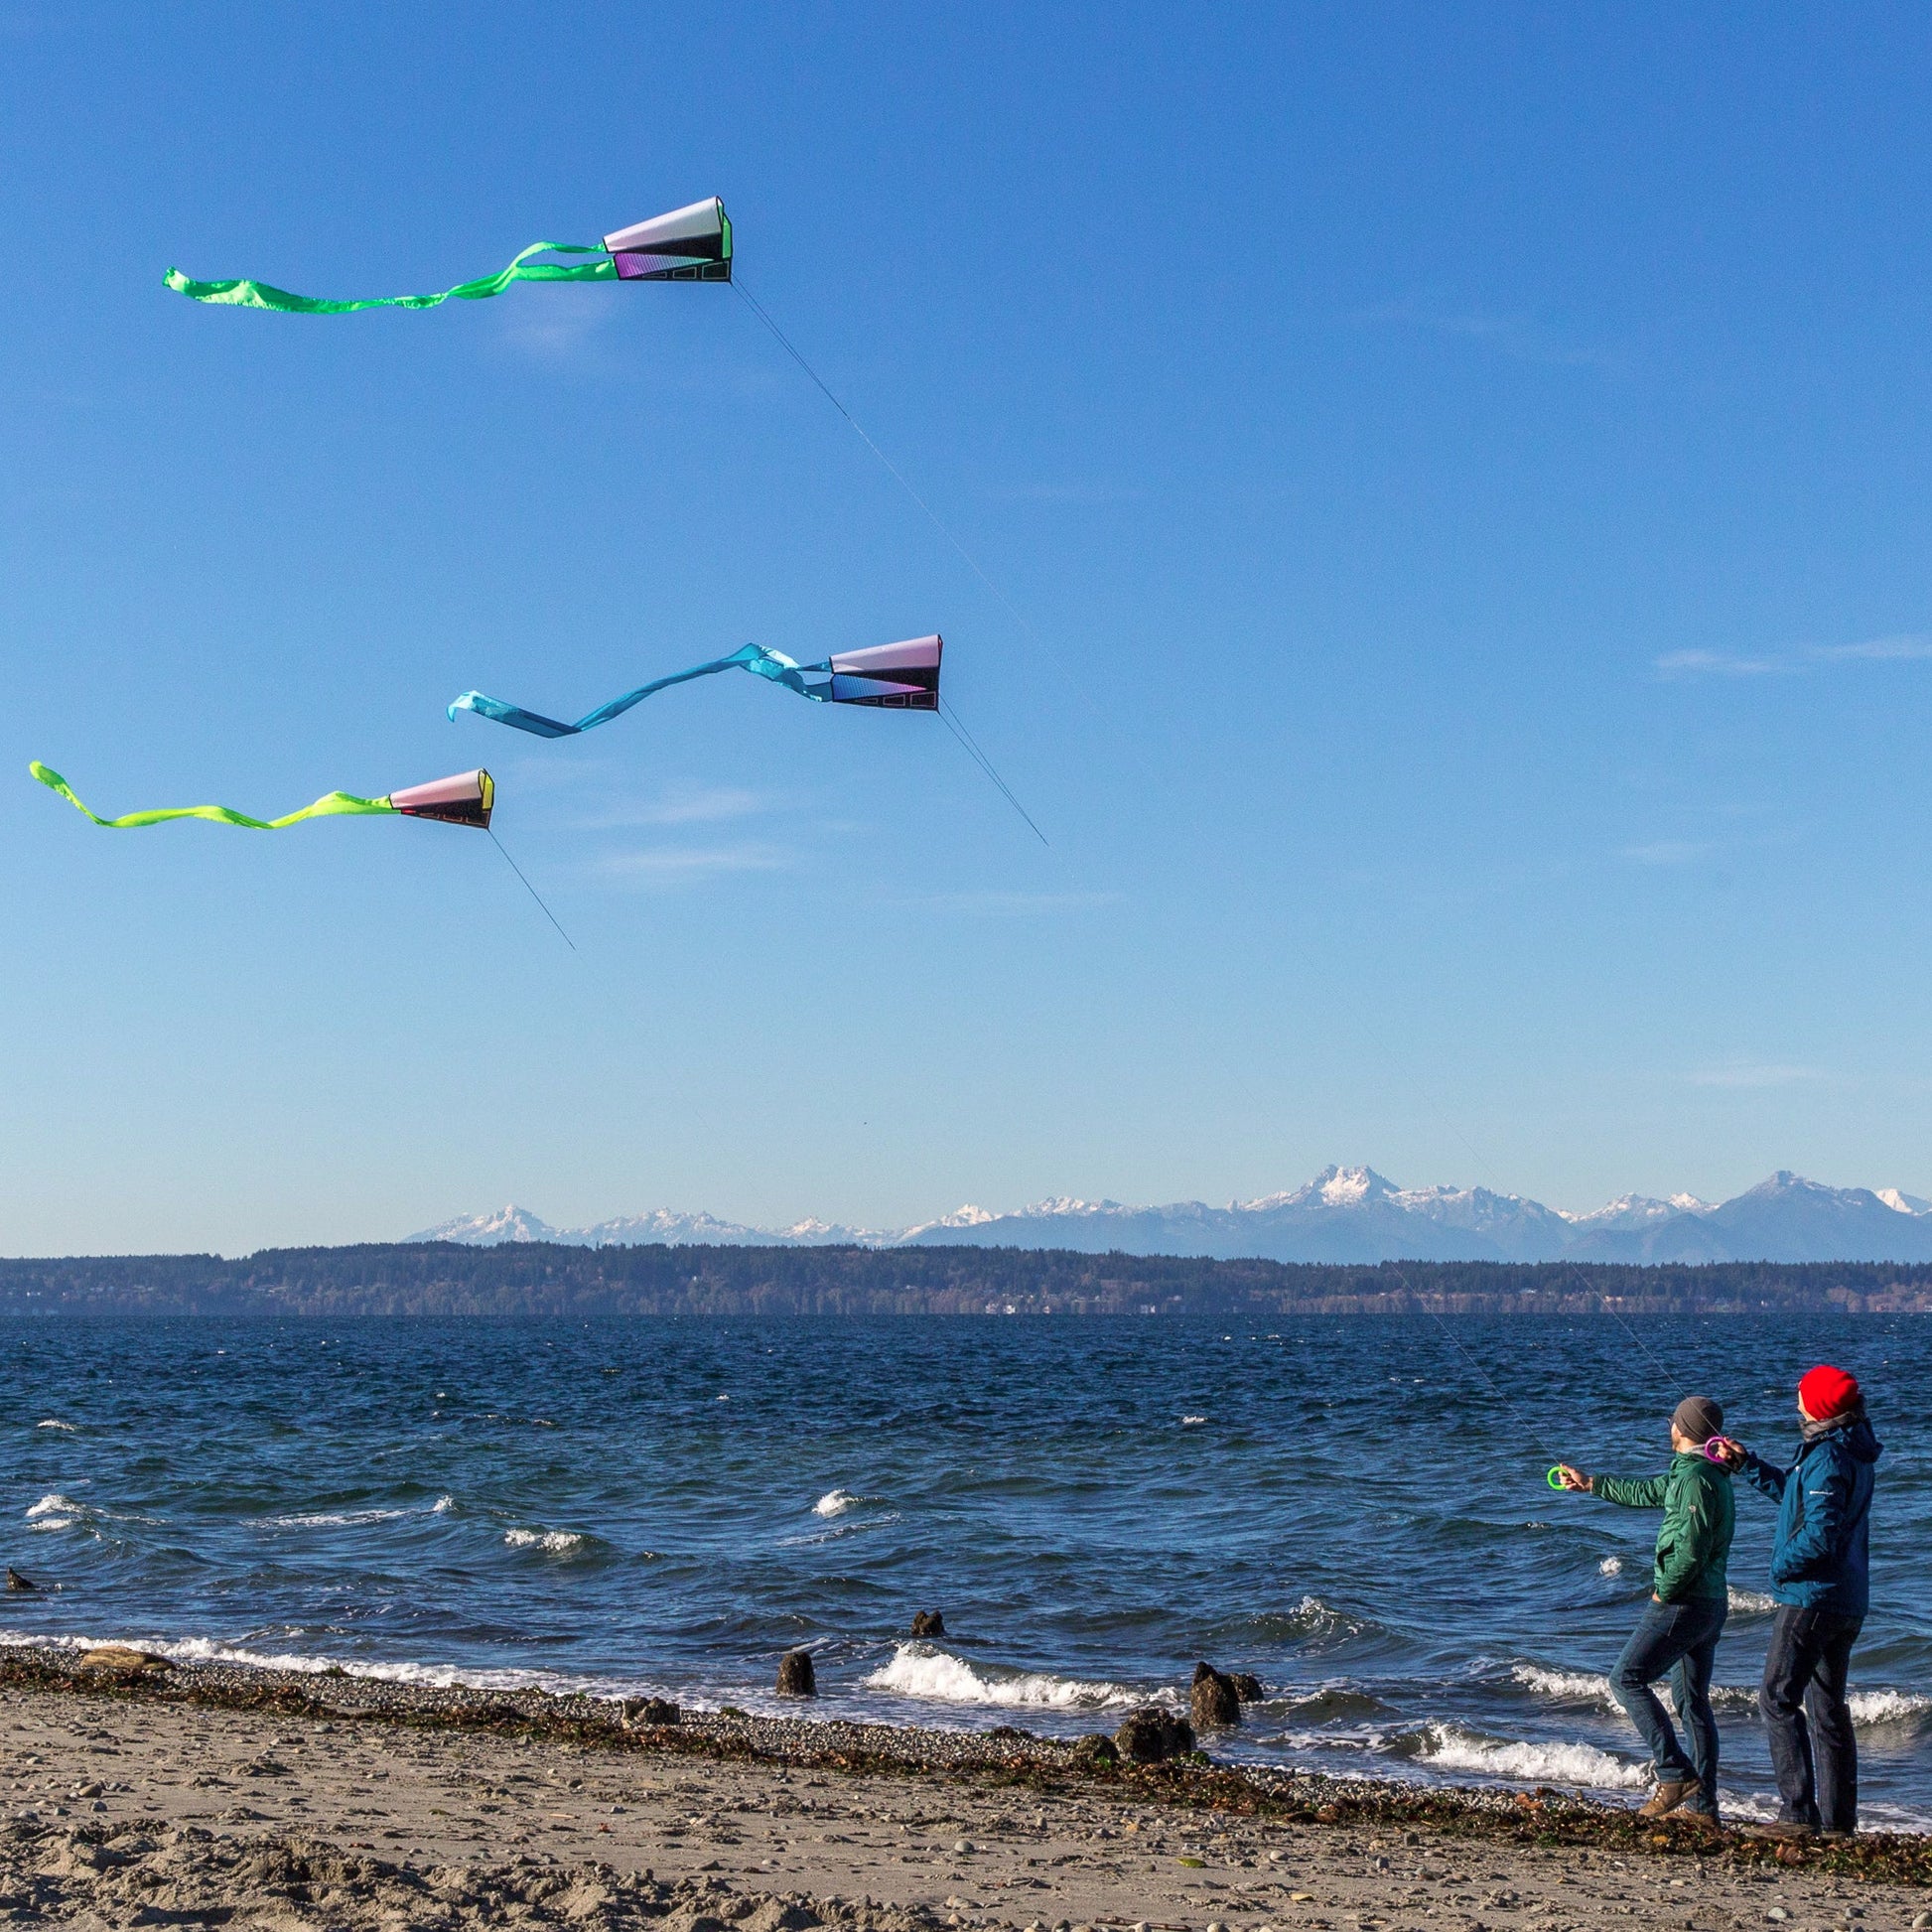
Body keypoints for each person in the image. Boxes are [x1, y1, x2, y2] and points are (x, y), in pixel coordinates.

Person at [1710, 1363, 1881, 1840]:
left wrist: (1780, 1567)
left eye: (1802, 1396)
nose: (1796, 1403)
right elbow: (1796, 1498)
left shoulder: (1828, 1457)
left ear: (1821, 1407)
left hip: (1813, 1598)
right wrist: (1747, 1465)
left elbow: (1820, 1534)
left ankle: (1797, 1814)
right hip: (1845, 1599)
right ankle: (1837, 1824)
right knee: (1827, 1709)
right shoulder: (1849, 1450)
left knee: (1776, 1697)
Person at [1553, 1395, 1733, 1823]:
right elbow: (1649, 1491)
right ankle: (1704, 1809)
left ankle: (1674, 1774)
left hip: (1684, 1602)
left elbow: (1689, 1552)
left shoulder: (1695, 1480)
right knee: (1691, 1704)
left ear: (1683, 1429)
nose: (1670, 1427)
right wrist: (1592, 1483)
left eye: (1673, 1422)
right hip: (1709, 1603)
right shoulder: (1699, 1472)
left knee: (1625, 1680)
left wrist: (1663, 1592)